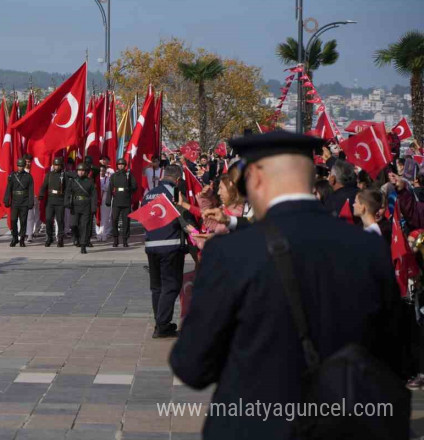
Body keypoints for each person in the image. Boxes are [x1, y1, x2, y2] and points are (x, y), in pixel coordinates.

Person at [170, 131, 406, 439]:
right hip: (344, 424)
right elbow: (396, 355)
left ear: (255, 178)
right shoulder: (368, 248)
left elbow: (192, 365)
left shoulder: (230, 253)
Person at [142, 164, 185, 338]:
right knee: (171, 285)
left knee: (157, 287)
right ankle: (162, 324)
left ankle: (160, 323)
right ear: (178, 180)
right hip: (170, 244)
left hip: (151, 245)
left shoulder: (149, 194)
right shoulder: (173, 194)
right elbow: (181, 218)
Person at [65, 163, 97, 254]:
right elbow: (68, 192)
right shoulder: (73, 181)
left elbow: (94, 195)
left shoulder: (90, 181)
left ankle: (83, 245)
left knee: (84, 226)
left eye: (83, 170)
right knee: (73, 224)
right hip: (75, 205)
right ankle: (76, 237)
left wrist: (93, 207)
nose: (81, 172)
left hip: (86, 206)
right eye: (79, 170)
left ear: (86, 172)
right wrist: (66, 203)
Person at [105, 158, 137, 247]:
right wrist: (108, 200)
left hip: (126, 201)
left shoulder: (129, 175)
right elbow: (110, 189)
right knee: (114, 220)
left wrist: (129, 189)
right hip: (116, 201)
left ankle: (125, 240)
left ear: (125, 165)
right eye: (119, 164)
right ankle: (115, 239)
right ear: (117, 166)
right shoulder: (114, 176)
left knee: (126, 221)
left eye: (122, 164)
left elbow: (135, 186)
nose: (121, 166)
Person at [39, 157, 69, 247]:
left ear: (61, 166)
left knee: (60, 220)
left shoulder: (64, 175)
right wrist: (41, 194)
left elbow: (67, 188)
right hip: (50, 200)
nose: (56, 166)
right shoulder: (49, 175)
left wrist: (66, 199)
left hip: (60, 200)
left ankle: (60, 239)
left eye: (58, 165)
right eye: (55, 165)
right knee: (48, 220)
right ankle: (49, 238)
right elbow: (44, 186)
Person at [4, 158, 34, 247]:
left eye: (21, 166)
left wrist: (30, 202)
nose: (20, 167)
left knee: (23, 221)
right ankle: (15, 237)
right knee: (13, 220)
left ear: (24, 166)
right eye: (18, 166)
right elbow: (8, 188)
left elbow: (31, 190)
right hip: (15, 201)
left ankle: (22, 239)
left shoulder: (28, 177)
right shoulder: (12, 176)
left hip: (24, 201)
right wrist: (6, 199)